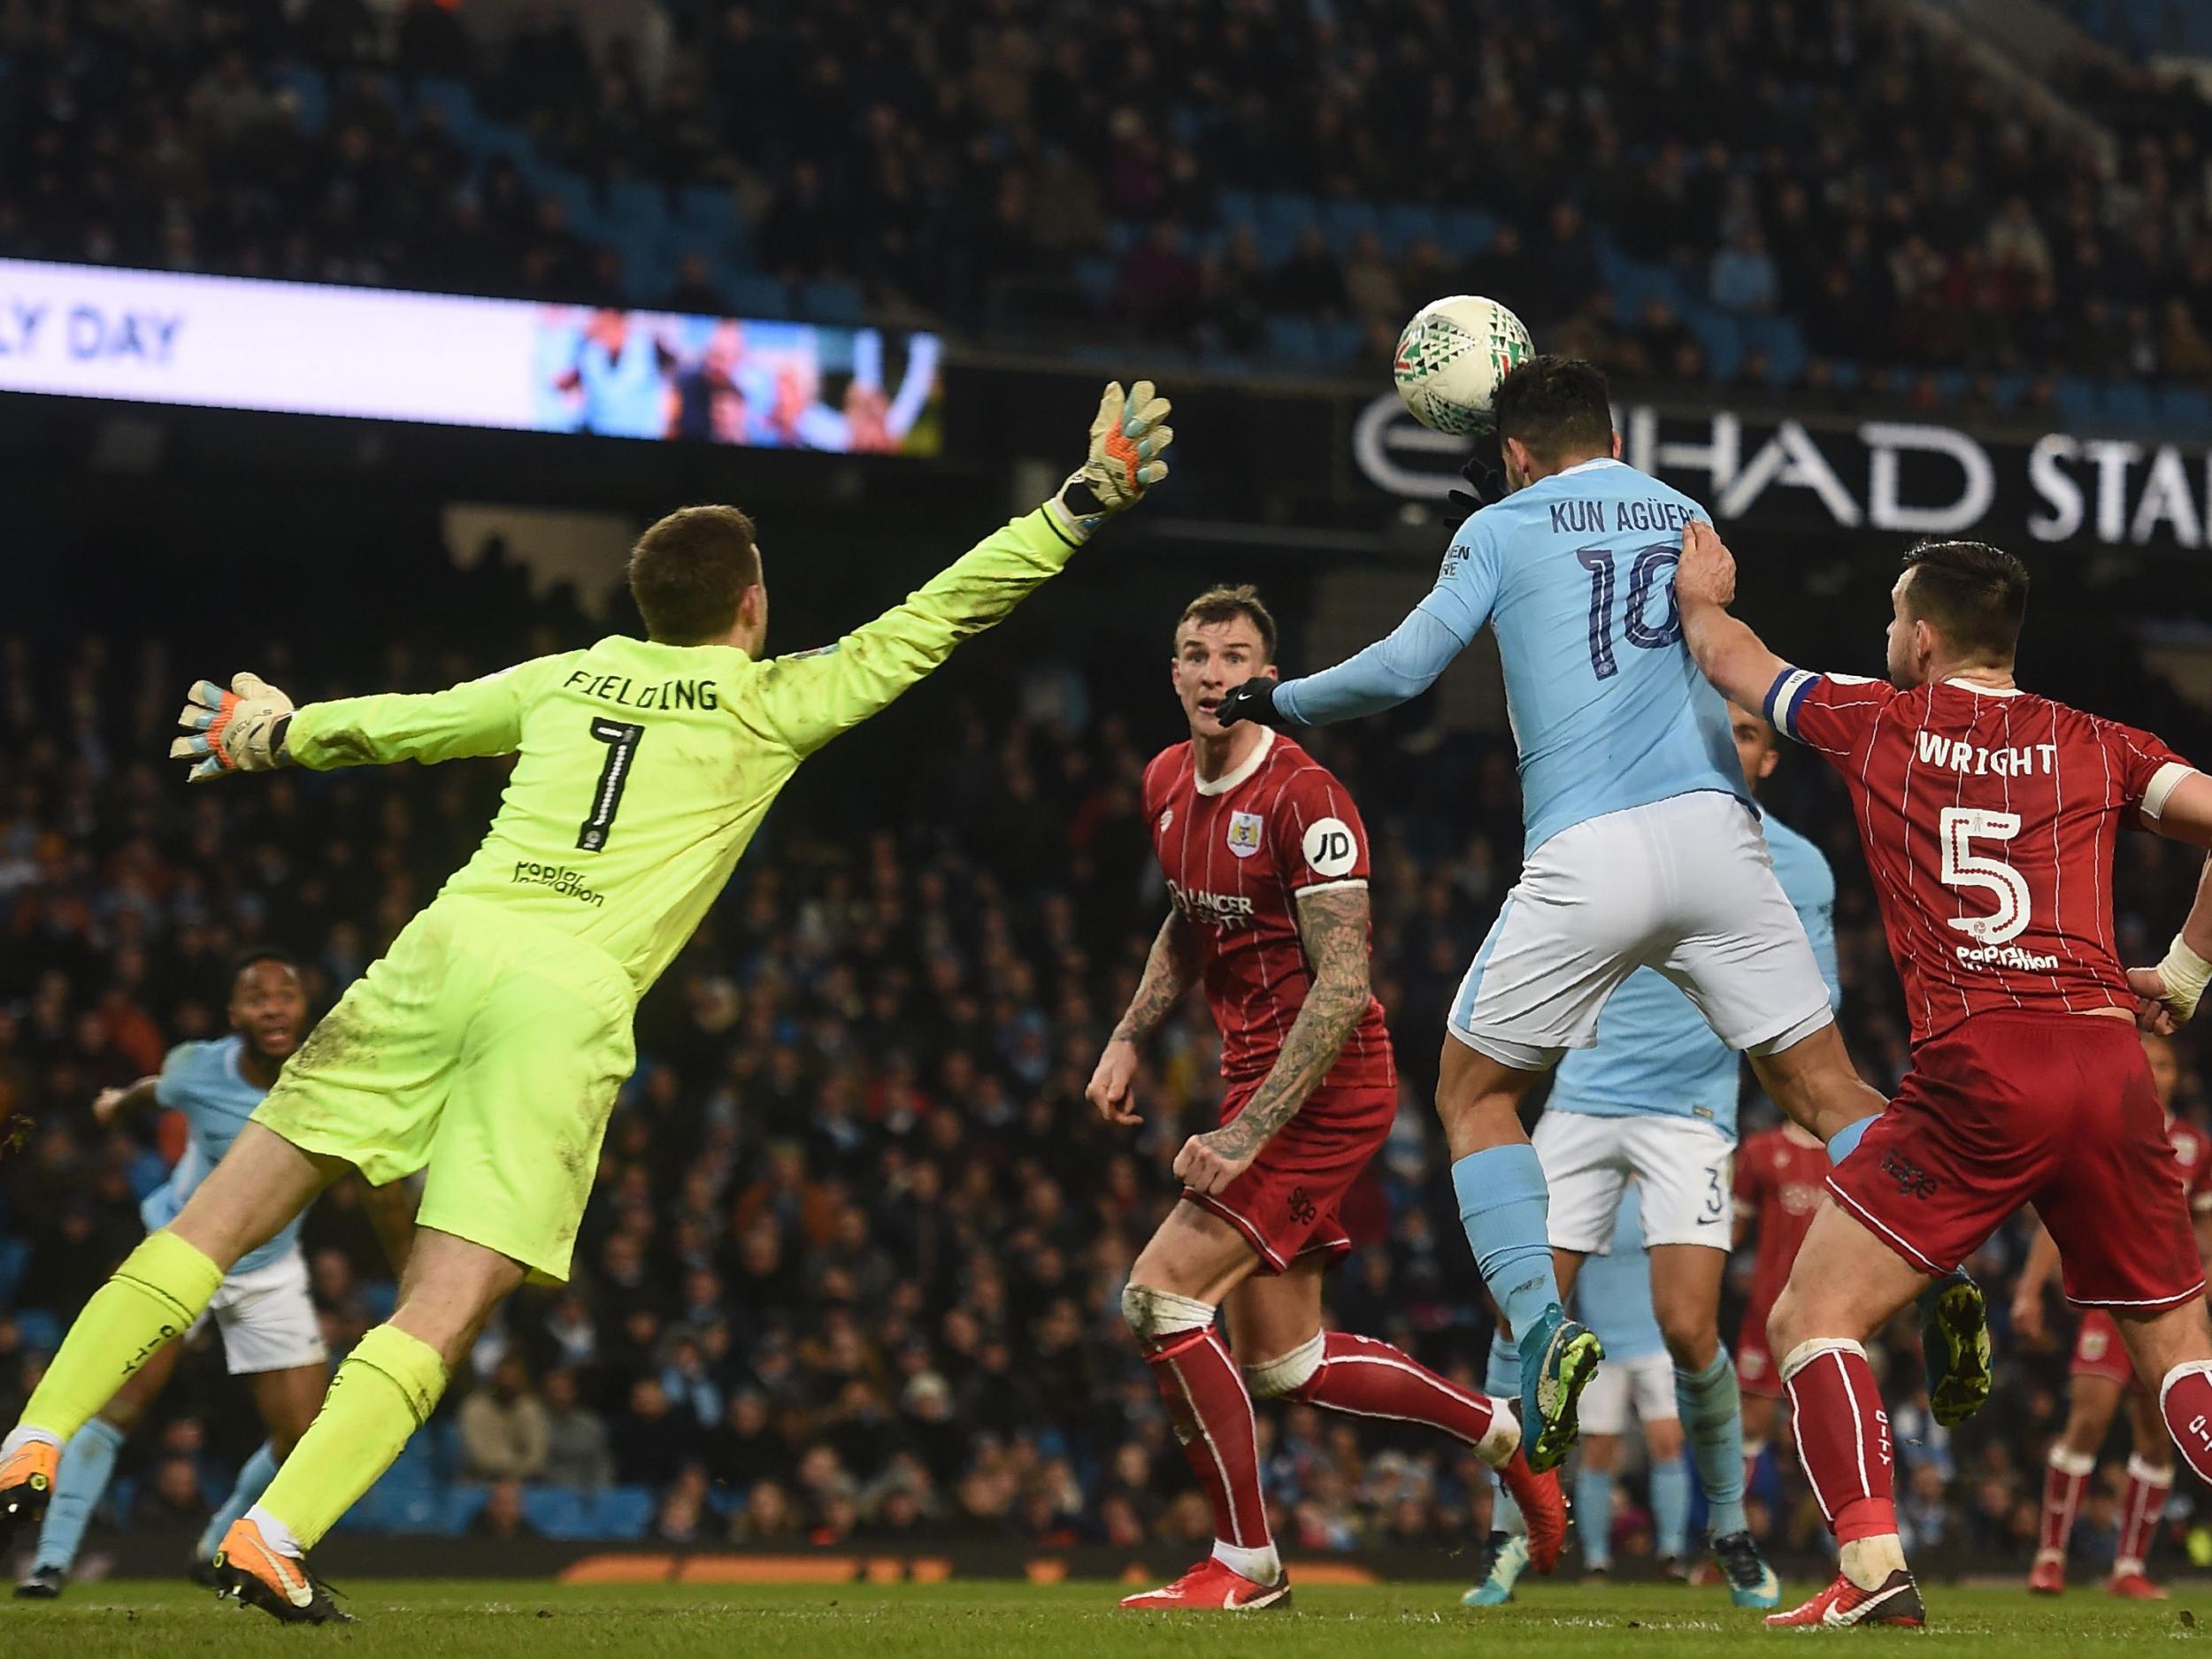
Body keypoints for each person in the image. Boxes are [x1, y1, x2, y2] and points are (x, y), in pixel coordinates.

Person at [0, 381, 1175, 1623]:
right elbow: (936, 617)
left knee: (221, 1212)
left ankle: (31, 1433)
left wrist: (278, 732)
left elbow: (416, 725)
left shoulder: (575, 674)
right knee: (445, 1299)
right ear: (752, 603)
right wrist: (1076, 504)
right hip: (562, 997)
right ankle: (273, 1530)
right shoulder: (773, 703)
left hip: (444, 943)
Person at [1216, 356, 1924, 1473]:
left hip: (1589, 850)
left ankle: (1546, 1335)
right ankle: (1943, 1251)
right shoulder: (1684, 509)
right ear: (1614, 433)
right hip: (1718, 840)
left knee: (1472, 1091)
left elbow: (1404, 670)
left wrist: (1274, 698)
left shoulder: (1496, 528)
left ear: (1511, 452)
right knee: (1825, 1088)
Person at [1672, 521, 2212, 1628]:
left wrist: (1699, 592)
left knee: (1810, 1320)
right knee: (2180, 1357)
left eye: (1888, 621)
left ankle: (1871, 1577)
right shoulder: (2098, 742)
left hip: (1981, 1068)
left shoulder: (1880, 721)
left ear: (1919, 640)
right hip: (2109, 1060)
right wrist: (2191, 974)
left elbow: (1729, 658)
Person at [1091, 586, 1564, 1612]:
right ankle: (1500, 1430)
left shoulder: (1307, 799)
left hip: (1326, 1086)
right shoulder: (1167, 781)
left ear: (1266, 678)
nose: (1215, 674)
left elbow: (1343, 989)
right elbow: (1189, 917)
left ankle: (1246, 1563)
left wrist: (1245, 1129)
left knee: (1161, 1296)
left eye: (1235, 658)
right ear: (1173, 673)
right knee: (1284, 1363)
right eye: (1195, 655)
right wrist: (1131, 1035)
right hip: (1251, 1078)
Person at [1517, 699, 1833, 1607]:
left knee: (1692, 1329)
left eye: (1744, 734)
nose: (1723, 746)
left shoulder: (1799, 868)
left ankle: (1726, 1530)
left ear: (1768, 760)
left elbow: (1808, 1015)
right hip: (1580, 1101)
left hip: (1689, 1115)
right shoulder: (1609, 829)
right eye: (1711, 729)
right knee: (1521, 1320)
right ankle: (1511, 1529)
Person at [13, 952, 416, 1600]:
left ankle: (216, 1546)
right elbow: (157, 1088)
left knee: (300, 1437)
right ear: (235, 1015)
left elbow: (385, 1185)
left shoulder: (335, 1082)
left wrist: (408, 1270)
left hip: (268, 1269)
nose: (273, 1007)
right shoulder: (199, 1068)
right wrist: (120, 1102)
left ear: (303, 1009)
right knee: (120, 1403)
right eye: (258, 997)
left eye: (285, 994)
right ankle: (51, 1562)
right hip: (184, 1253)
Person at [2015, 1031, 2212, 1600]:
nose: (2158, 1071)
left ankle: (2129, 1567)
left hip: (2172, 1304)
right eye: (2149, 1062)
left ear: (2179, 1075)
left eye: (2168, 1063)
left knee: (2156, 1436)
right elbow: (2063, 1219)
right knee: (2089, 1420)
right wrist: (2029, 1291)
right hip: (2110, 1301)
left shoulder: (2195, 1146)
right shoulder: (2103, 1128)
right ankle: (2050, 1556)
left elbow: (2201, 1232)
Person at [1468, 1186, 1686, 1605]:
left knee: (1669, 1444)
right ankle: (1597, 1559)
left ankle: (1672, 1554)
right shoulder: (1584, 1195)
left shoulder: (1655, 1193)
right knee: (1599, 1451)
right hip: (1600, 1340)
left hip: (1655, 1340)